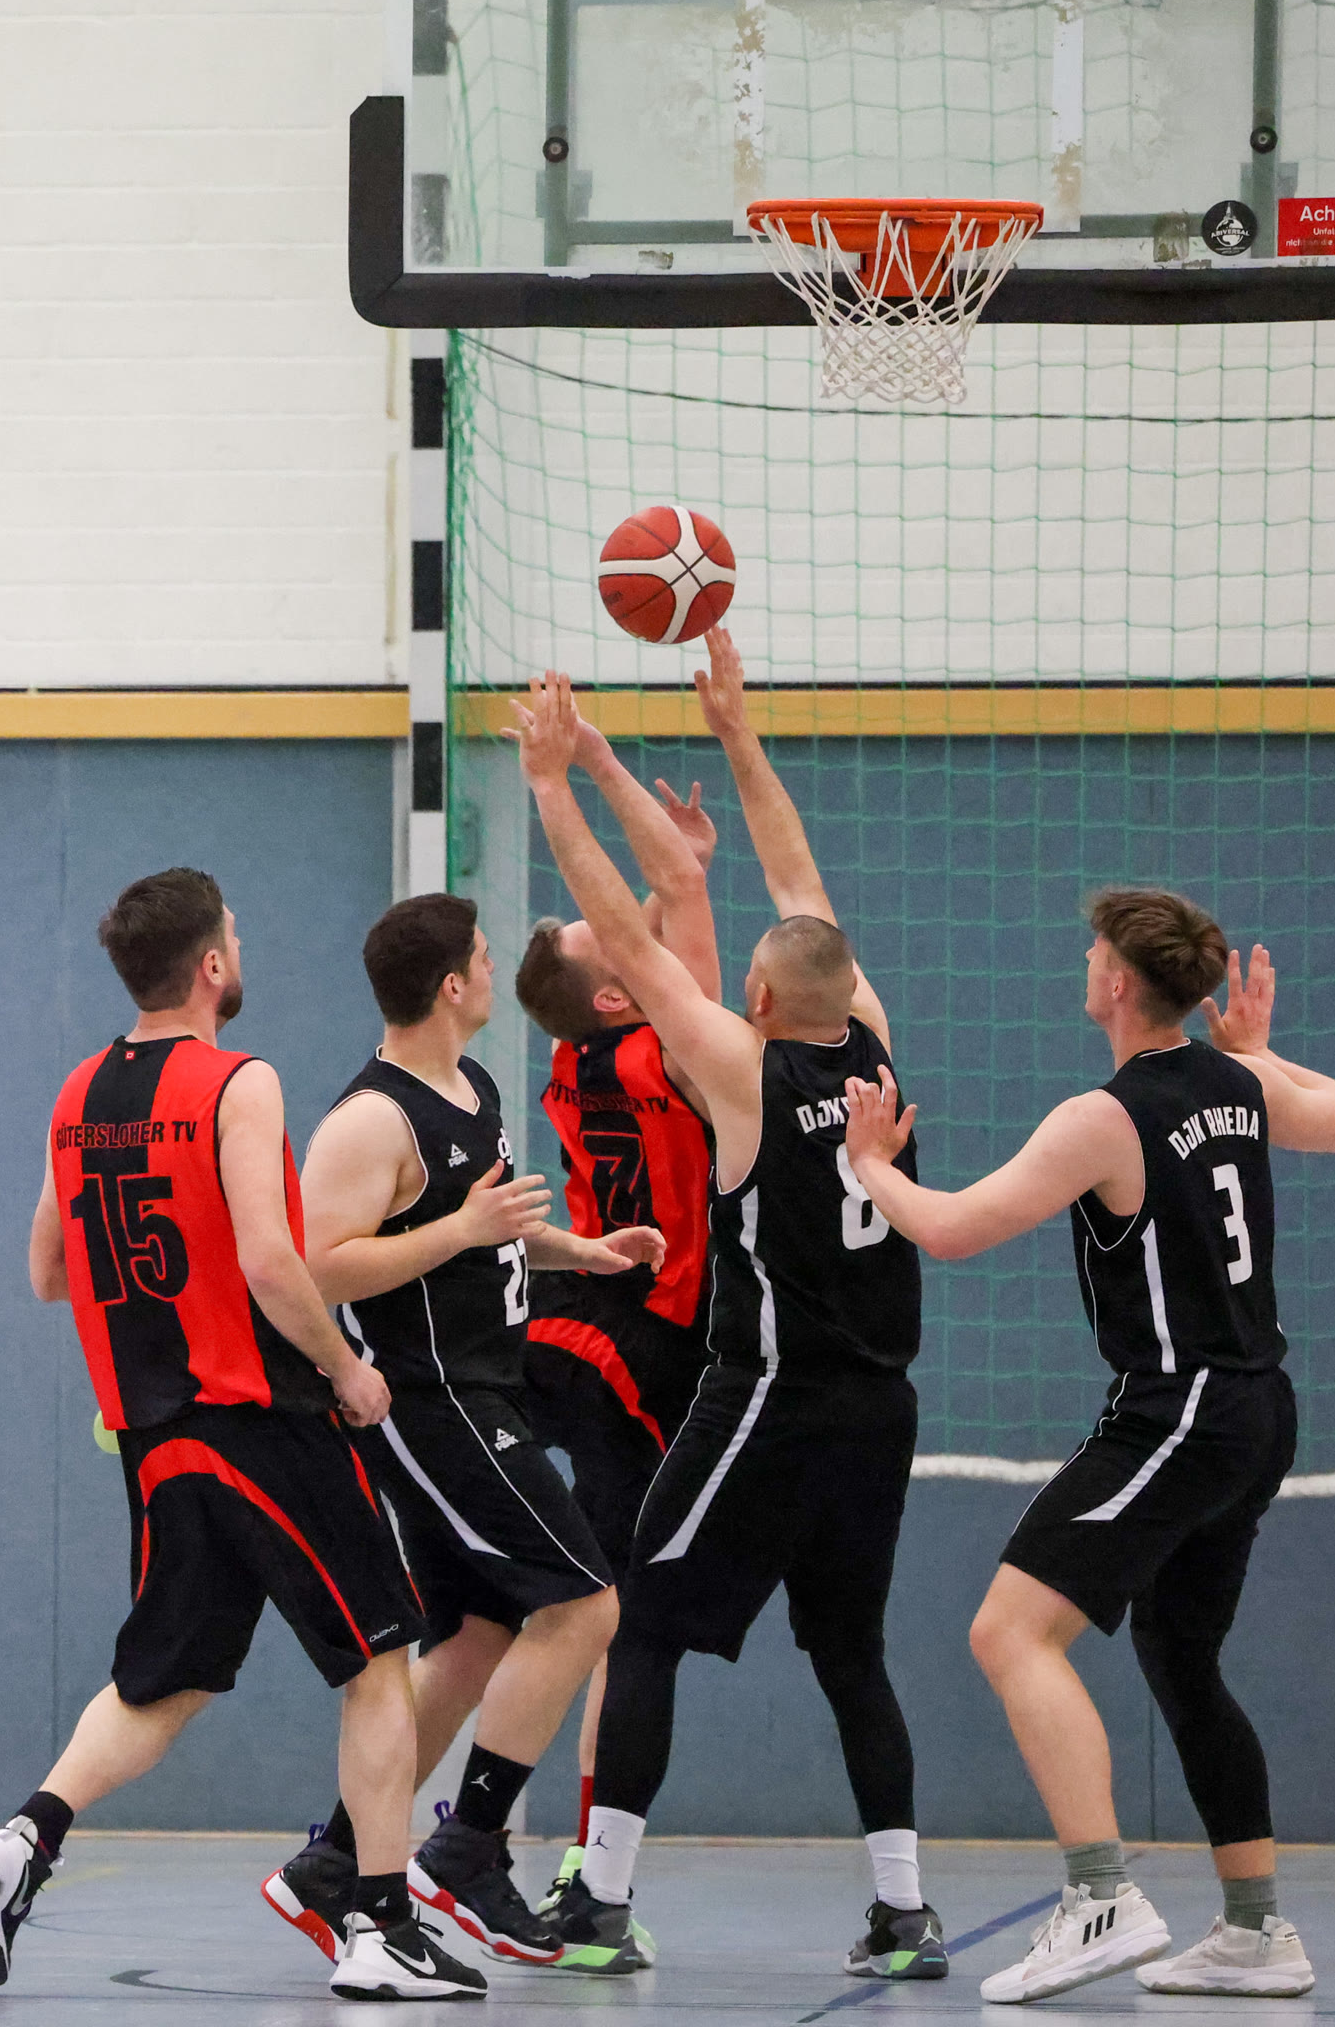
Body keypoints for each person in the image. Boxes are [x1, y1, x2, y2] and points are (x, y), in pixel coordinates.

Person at [0, 868, 485, 2002]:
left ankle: (22, 1840)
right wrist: (348, 1370)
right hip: (265, 1417)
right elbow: (271, 1263)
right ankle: (380, 1926)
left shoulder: (78, 1093)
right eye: (233, 935)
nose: (241, 949)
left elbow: (48, 1271)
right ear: (208, 966)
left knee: (168, 1680)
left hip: (156, 1438)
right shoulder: (239, 1081)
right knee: (379, 1660)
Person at [839, 890, 1335, 2004]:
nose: (1083, 961)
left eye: (1093, 950)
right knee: (1179, 1655)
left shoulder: (1104, 1115)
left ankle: (1099, 1896)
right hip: (1258, 1407)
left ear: (1119, 983)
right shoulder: (1237, 1084)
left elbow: (952, 1228)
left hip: (1179, 1407)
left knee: (1008, 1630)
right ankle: (1256, 1929)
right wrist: (1262, 1053)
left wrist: (871, 1164)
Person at [511, 653, 947, 1983]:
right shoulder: (873, 1042)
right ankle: (904, 1909)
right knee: (852, 1653)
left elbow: (629, 936)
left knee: (643, 1621)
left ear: (756, 1001)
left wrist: (552, 781)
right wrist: (740, 736)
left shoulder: (743, 1072)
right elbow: (795, 878)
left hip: (767, 1395)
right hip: (881, 1407)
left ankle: (600, 1897)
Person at [260, 894, 654, 1971]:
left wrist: (580, 1251)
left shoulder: (472, 1085)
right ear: (449, 985)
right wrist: (464, 1227)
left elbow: (489, 1239)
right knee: (585, 1604)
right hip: (431, 1405)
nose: (493, 969)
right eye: (481, 957)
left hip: (488, 1390)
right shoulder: (369, 1119)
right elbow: (316, 1265)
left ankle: (337, 1861)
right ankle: (468, 1843)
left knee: (478, 1636)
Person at [513, 727, 721, 1901]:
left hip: (551, 1320)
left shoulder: (572, 1058)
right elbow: (665, 916)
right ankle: (582, 1869)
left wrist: (672, 872)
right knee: (619, 1622)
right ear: (615, 992)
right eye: (611, 931)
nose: (624, 924)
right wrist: (579, 759)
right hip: (637, 1347)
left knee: (564, 1607)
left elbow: (638, 933)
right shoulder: (664, 1055)